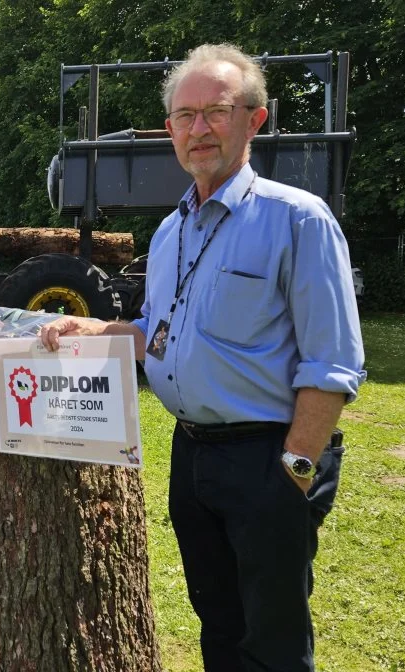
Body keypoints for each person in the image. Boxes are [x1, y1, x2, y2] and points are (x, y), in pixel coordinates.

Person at [39, 44, 365, 672]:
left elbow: (333, 364)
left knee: (271, 641)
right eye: (185, 117)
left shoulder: (298, 220)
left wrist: (293, 472)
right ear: (169, 133)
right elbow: (156, 336)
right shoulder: (170, 232)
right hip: (191, 460)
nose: (199, 129)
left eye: (215, 112)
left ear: (255, 119)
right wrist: (95, 325)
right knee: (217, 626)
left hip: (266, 458)